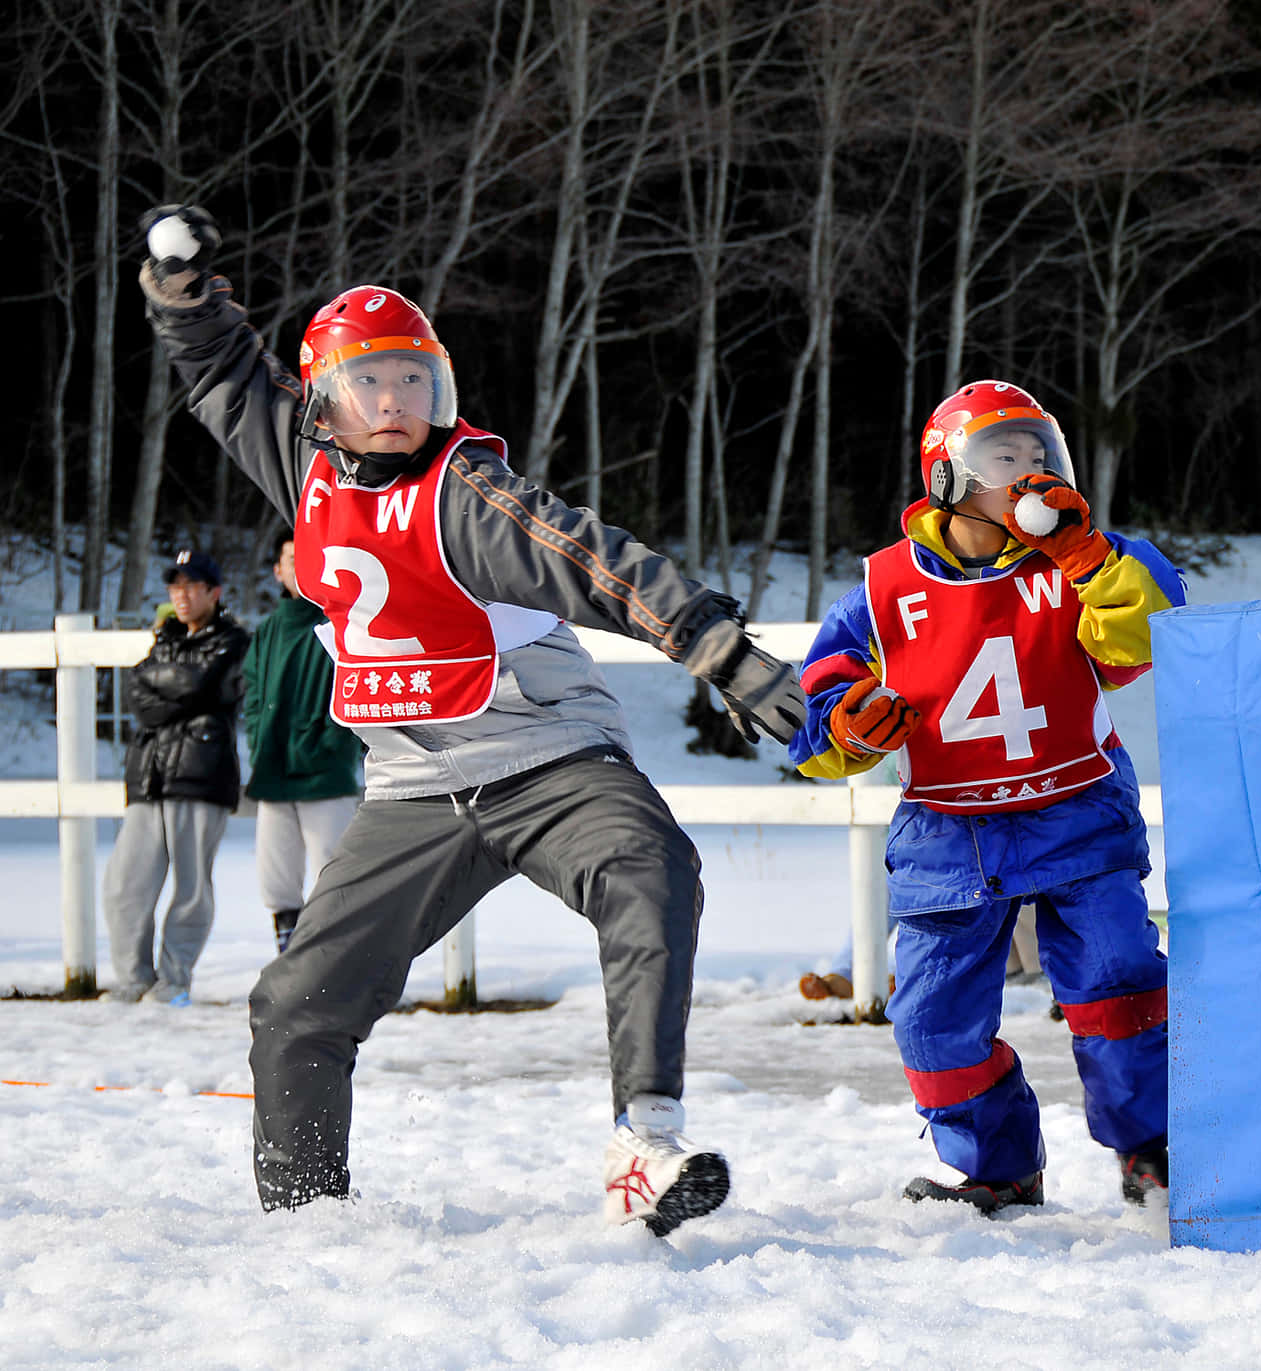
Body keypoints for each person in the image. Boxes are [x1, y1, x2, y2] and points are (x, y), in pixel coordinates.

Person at [136, 204, 804, 1235]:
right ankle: (306, 1216)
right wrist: (180, 291)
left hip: (550, 758)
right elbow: (225, 373)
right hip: (415, 789)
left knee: (651, 871)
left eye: (416, 379)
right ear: (322, 401)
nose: (397, 400)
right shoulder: (305, 465)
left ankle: (645, 1144)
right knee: (294, 1006)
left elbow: (598, 562)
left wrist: (719, 651)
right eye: (371, 381)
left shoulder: (467, 493)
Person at [789, 380, 1184, 1213]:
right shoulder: (882, 588)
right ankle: (999, 1165)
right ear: (948, 476)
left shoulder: (1088, 560)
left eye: (1041, 456)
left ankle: (1152, 1151)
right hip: (948, 833)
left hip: (1074, 811)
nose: (1030, 475)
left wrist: (1085, 559)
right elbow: (813, 715)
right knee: (931, 1021)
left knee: (1118, 985)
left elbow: (1152, 638)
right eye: (1006, 457)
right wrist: (851, 730)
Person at [104, 548, 250, 1006]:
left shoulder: (232, 640)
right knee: (125, 884)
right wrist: (176, 688)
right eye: (175, 586)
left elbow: (200, 684)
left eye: (191, 585)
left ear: (213, 591)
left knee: (191, 887)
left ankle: (174, 980)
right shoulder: (163, 639)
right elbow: (137, 693)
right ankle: (133, 978)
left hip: (200, 774)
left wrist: (164, 686)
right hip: (150, 775)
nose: (181, 595)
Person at [242, 531, 364, 953]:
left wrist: (333, 741)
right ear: (277, 570)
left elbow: (357, 689)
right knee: (276, 873)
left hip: (325, 772)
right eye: (290, 558)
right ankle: (290, 954)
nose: (297, 566)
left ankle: (341, 959)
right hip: (273, 770)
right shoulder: (268, 631)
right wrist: (259, 740)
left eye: (305, 556)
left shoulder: (341, 622)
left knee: (335, 868)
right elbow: (253, 695)